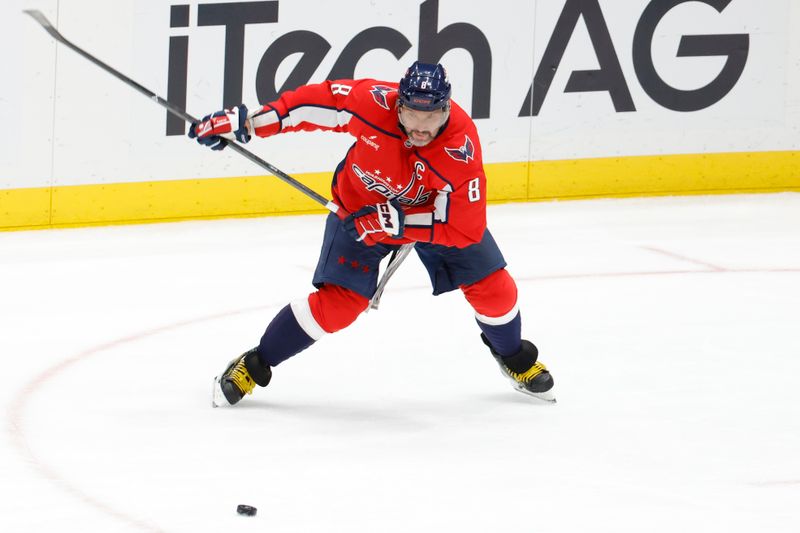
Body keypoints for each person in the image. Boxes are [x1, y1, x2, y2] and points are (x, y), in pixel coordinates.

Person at [189, 61, 555, 406]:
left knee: (496, 288)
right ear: (399, 105)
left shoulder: (461, 147)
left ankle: (513, 357)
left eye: (432, 116)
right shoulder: (373, 102)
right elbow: (318, 103)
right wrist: (250, 123)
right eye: (413, 114)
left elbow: (464, 227)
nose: (421, 127)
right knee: (339, 306)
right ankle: (254, 363)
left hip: (427, 220)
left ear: (446, 109)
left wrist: (402, 223)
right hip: (358, 209)